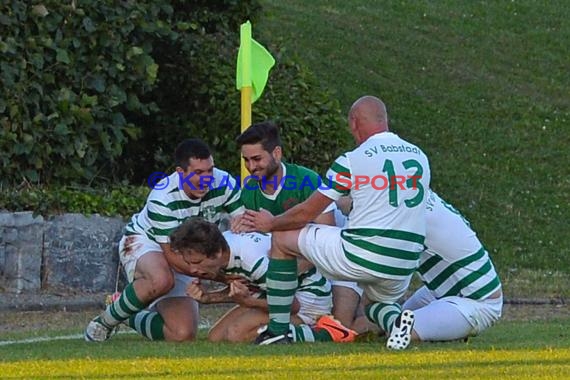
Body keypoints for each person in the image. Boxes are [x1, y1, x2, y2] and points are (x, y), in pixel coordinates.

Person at [242, 95, 431, 350]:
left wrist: (272, 223)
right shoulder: (420, 156)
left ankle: (278, 330)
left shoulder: (353, 159)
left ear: (354, 123)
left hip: (363, 253)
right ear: (384, 120)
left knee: (282, 238)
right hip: (406, 261)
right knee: (375, 306)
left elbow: (308, 211)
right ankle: (397, 320)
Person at [84, 138, 244, 342]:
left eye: (209, 171)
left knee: (182, 334)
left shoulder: (225, 182)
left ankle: (125, 310)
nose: (206, 179)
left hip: (191, 253)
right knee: (162, 279)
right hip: (148, 243)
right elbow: (171, 256)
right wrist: (226, 278)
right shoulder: (162, 197)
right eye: (197, 173)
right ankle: (104, 323)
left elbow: (244, 223)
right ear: (180, 172)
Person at [233, 121, 362, 328]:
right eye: (246, 160)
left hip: (336, 262)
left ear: (276, 153)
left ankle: (378, 317)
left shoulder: (306, 180)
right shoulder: (249, 191)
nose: (250, 167)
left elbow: (327, 242)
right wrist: (239, 229)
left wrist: (278, 276)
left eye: (257, 159)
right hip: (294, 269)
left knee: (341, 325)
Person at [169, 217, 356, 343]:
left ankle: (327, 332)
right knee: (215, 338)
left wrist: (248, 302)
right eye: (189, 263)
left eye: (197, 262)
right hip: (279, 293)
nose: (192, 270)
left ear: (216, 253)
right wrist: (209, 298)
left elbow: (291, 305)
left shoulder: (253, 261)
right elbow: (247, 287)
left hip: (307, 300)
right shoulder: (224, 247)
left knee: (237, 334)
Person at [402, 189, 503, 342]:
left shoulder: (408, 212)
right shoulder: (415, 197)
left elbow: (385, 273)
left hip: (477, 301)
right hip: (440, 290)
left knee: (399, 330)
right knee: (388, 320)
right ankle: (448, 328)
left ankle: (452, 326)